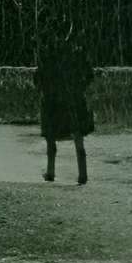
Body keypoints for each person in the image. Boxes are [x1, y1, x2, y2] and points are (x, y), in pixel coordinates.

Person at [33, 26, 95, 185]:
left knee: (51, 138)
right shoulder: (77, 53)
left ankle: (51, 172)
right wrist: (80, 88)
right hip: (74, 98)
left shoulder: (47, 54)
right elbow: (89, 75)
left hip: (53, 100)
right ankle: (83, 174)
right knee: (78, 136)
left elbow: (38, 78)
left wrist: (44, 90)